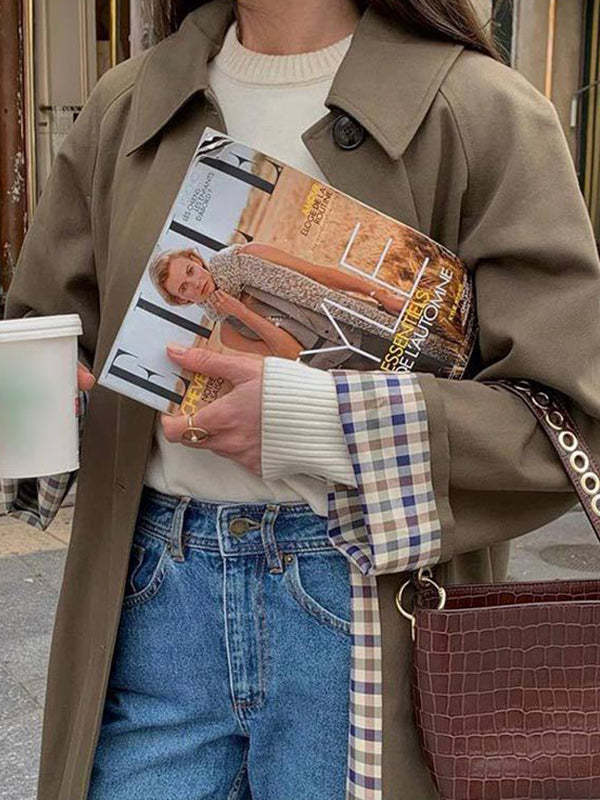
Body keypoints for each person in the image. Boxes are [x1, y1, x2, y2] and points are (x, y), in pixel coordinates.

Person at [2, 1, 600, 799]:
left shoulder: (480, 110)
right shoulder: (130, 103)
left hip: (366, 607)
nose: (191, 282)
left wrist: (321, 422)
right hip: (150, 597)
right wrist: (39, 404)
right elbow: (47, 347)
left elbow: (567, 422)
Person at [148, 241, 407, 365]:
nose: (195, 283)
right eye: (184, 288)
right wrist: (241, 313)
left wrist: (380, 295)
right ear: (182, 300)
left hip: (358, 321)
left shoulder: (249, 256)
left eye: (190, 271)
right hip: (345, 367)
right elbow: (294, 355)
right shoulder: (229, 333)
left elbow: (315, 273)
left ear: (196, 260)